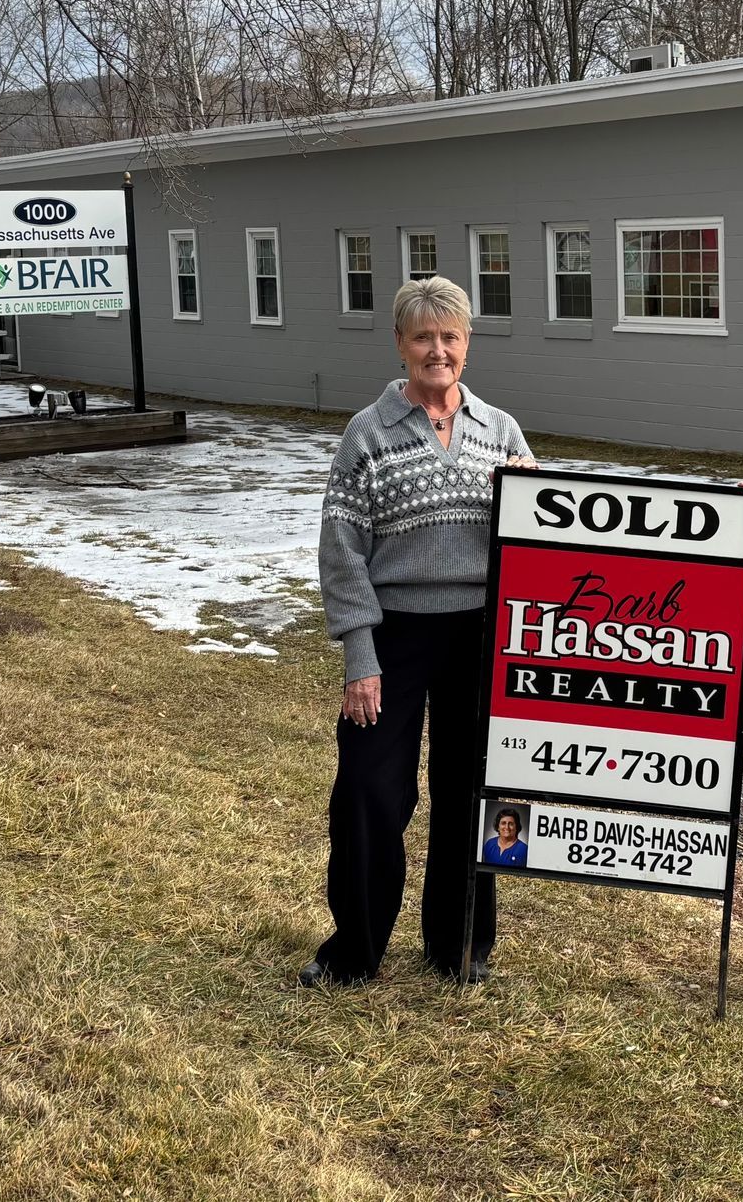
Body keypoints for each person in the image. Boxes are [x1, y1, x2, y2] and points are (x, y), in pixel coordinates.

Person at [304, 276, 535, 987]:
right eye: (424, 337)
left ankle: (461, 947)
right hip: (394, 634)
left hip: (479, 635)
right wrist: (359, 655)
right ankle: (356, 951)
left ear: (468, 345)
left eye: (451, 337)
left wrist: (531, 495)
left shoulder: (500, 431)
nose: (438, 350)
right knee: (371, 792)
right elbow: (341, 552)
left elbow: (536, 544)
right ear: (401, 344)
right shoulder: (366, 435)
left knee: (477, 792)